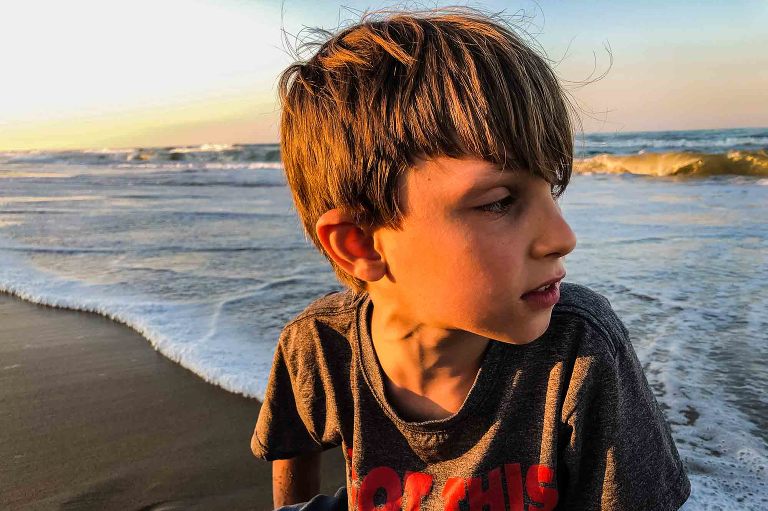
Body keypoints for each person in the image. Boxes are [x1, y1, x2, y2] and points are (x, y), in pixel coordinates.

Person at [251, 6, 691, 510]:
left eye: (552, 189)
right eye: (499, 201)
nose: (563, 237)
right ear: (361, 244)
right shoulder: (320, 345)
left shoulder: (578, 353)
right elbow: (293, 460)